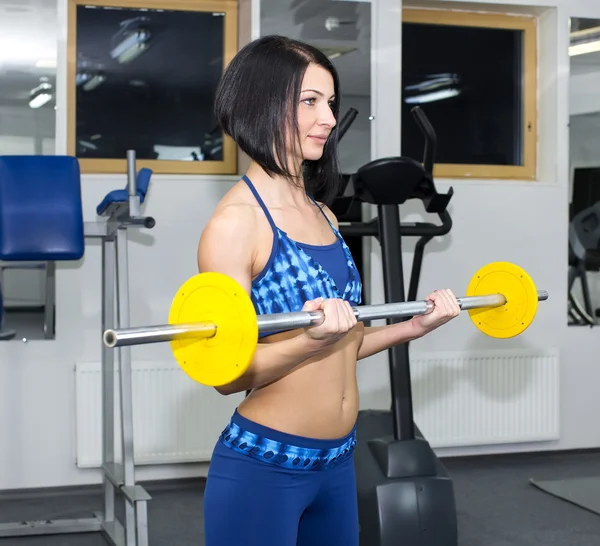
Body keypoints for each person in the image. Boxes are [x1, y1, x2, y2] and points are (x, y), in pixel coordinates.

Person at [198, 35, 461, 546]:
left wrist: (413, 326)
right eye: (310, 101)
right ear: (262, 105)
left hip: (338, 463)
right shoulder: (235, 224)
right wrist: (310, 340)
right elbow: (227, 377)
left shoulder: (323, 214)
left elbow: (345, 342)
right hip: (266, 464)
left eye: (331, 103)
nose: (328, 118)